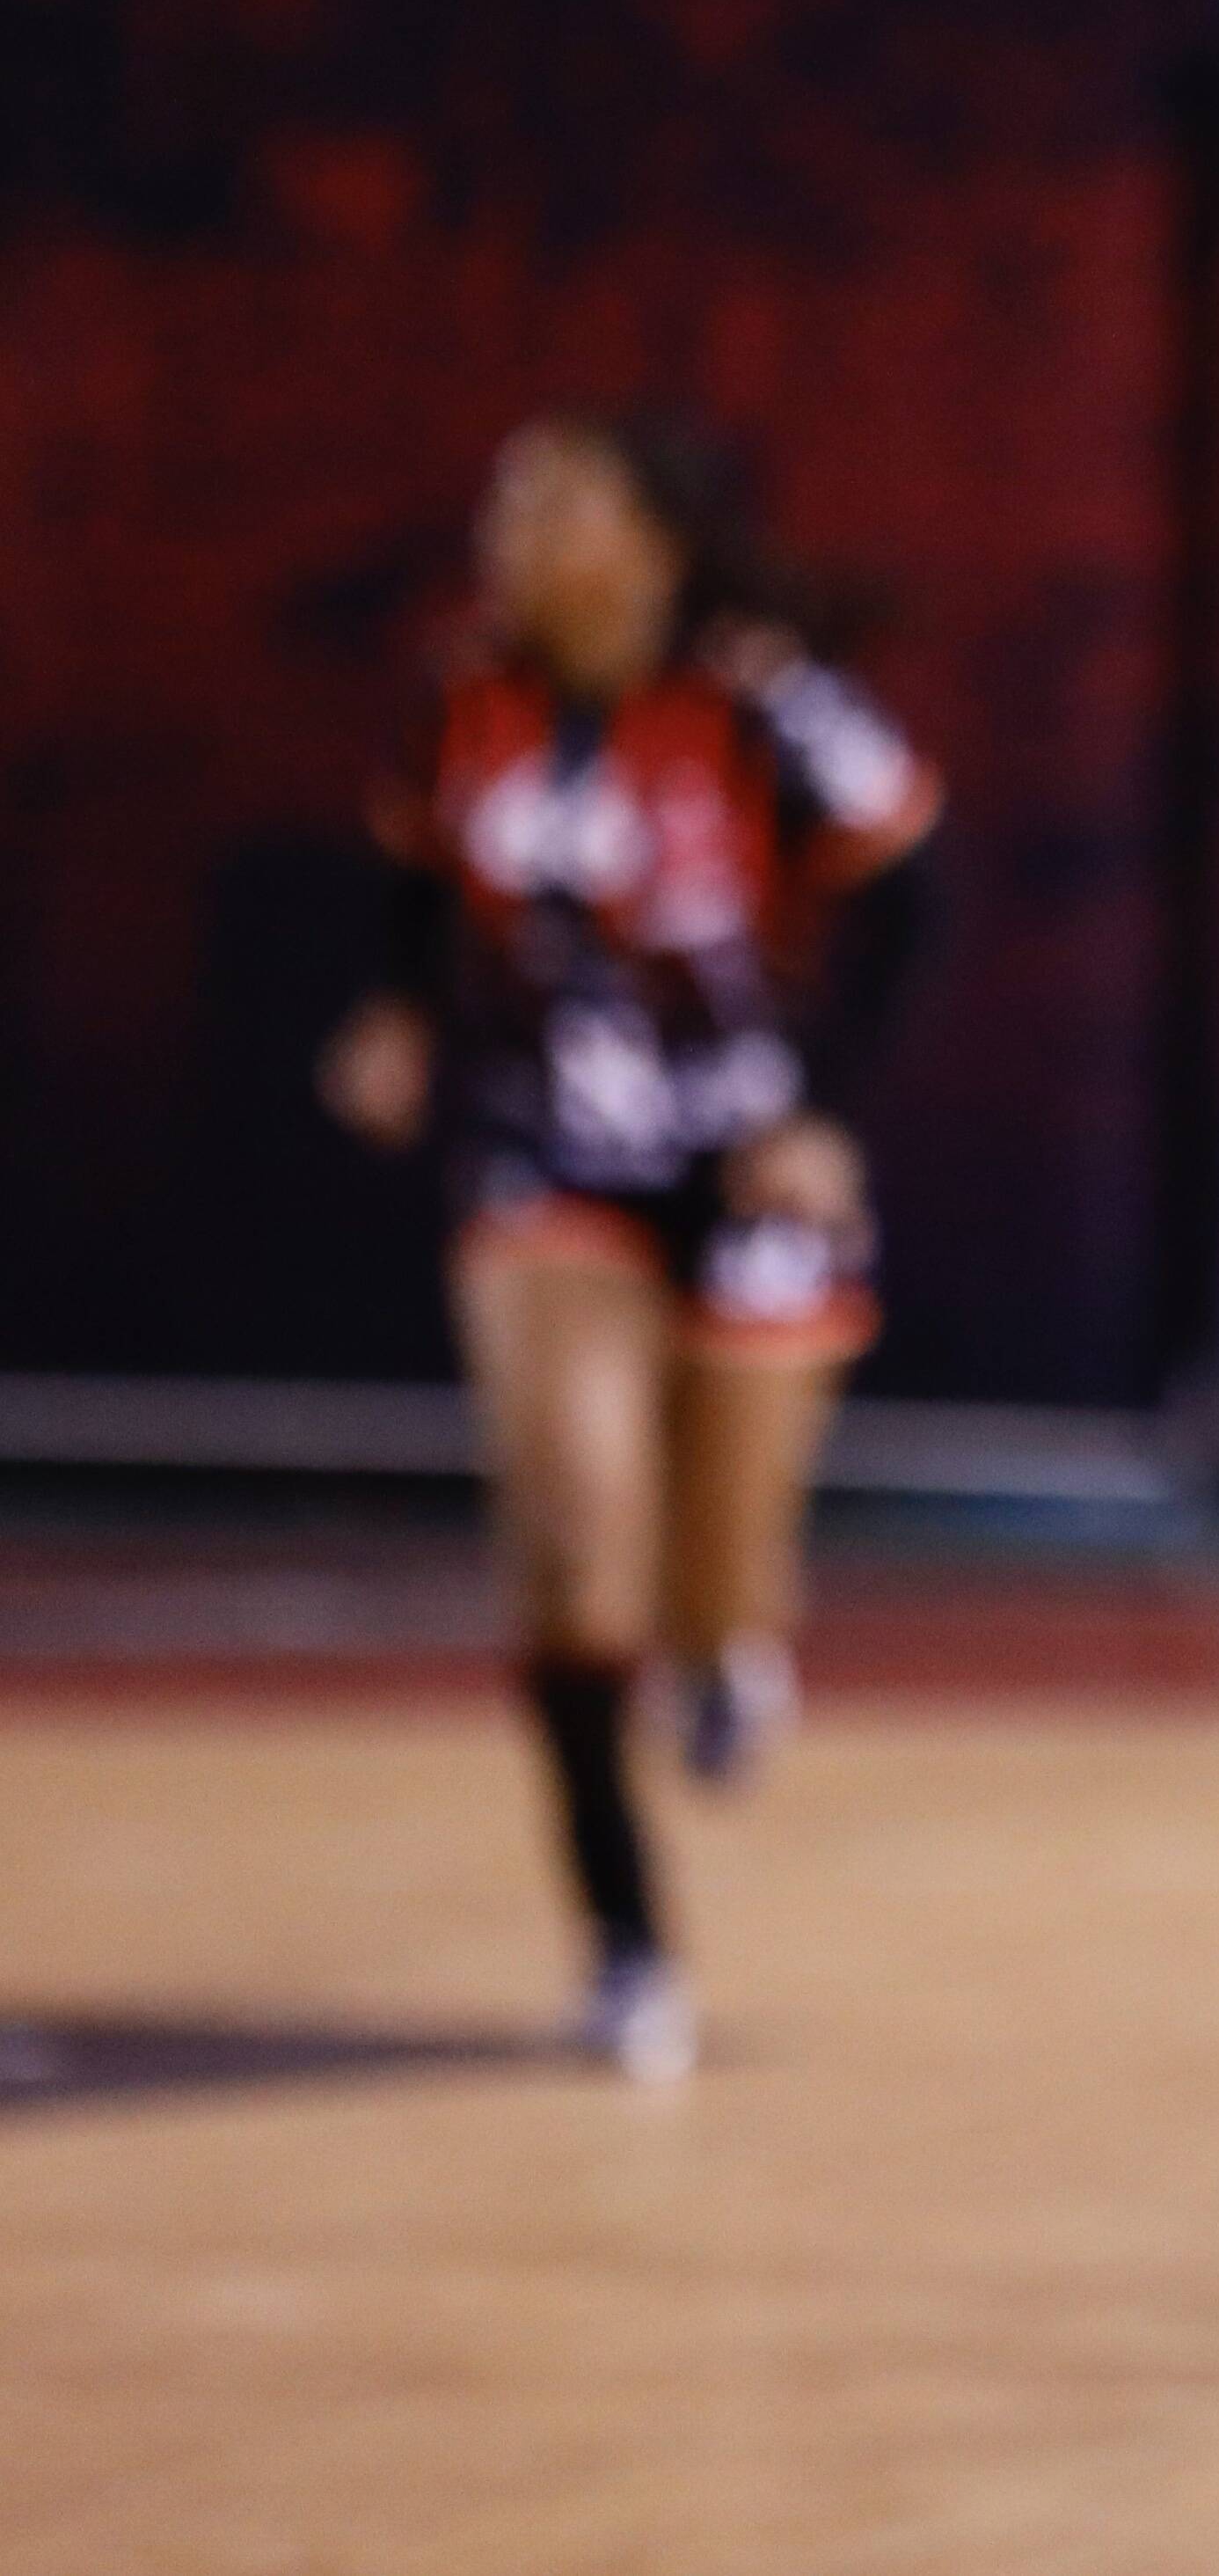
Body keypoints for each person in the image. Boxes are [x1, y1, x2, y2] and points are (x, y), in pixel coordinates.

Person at [316, 409, 939, 2082]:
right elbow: (407, 874)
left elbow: (902, 883)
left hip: (744, 1164)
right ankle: (623, 1934)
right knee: (573, 1530)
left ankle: (732, 1643)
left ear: (654, 539)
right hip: (546, 1158)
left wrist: (818, 1111)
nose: (516, 532)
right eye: (508, 501)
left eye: (560, 505)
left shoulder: (760, 697)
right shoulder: (465, 694)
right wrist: (392, 1011)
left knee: (716, 1577)